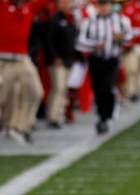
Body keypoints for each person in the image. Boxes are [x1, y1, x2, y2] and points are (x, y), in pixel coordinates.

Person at [77, 0, 132, 134]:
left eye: (106, 4)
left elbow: (129, 37)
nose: (104, 7)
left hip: (112, 58)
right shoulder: (89, 21)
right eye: (101, 5)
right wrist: (94, 45)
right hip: (96, 59)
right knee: (98, 88)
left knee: (108, 86)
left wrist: (121, 38)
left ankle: (105, 116)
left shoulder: (121, 20)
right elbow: (80, 42)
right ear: (97, 6)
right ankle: (103, 115)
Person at [0, 0, 48, 143]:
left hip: (22, 59)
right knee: (4, 95)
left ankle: (22, 127)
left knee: (35, 91)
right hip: (2, 59)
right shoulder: (3, 6)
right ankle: (8, 126)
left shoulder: (29, 7)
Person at [45, 0, 77, 128]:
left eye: (68, 2)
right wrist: (55, 57)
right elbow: (48, 41)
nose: (66, 4)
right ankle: (53, 117)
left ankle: (59, 115)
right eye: (63, 2)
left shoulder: (71, 19)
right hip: (58, 61)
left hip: (68, 59)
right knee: (58, 88)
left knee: (63, 89)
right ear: (58, 4)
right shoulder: (55, 20)